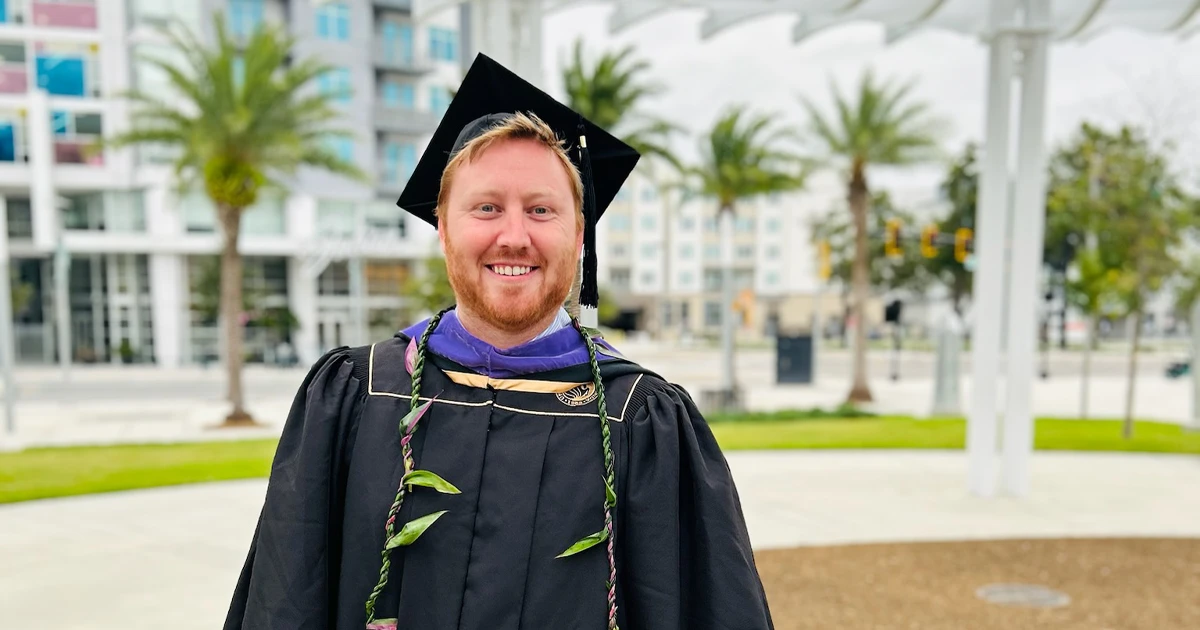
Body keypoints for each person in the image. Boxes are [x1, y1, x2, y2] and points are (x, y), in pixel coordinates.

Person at [223, 53, 774, 630]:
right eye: (486, 208)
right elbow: (284, 601)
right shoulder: (355, 397)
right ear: (443, 228)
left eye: (541, 210)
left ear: (578, 235)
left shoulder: (643, 420)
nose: (514, 236)